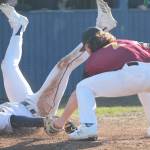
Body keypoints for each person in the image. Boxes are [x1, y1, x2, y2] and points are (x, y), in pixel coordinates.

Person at [49, 25, 150, 140]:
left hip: (130, 73)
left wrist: (61, 121)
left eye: (85, 49)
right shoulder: (130, 43)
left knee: (83, 86)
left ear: (88, 45)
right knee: (145, 89)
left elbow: (77, 94)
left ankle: (88, 127)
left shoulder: (96, 58)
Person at [0, 3, 89, 133]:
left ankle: (18, 27)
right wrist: (45, 121)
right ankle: (101, 32)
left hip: (21, 101)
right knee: (64, 66)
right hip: (39, 109)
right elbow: (14, 120)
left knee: (8, 66)